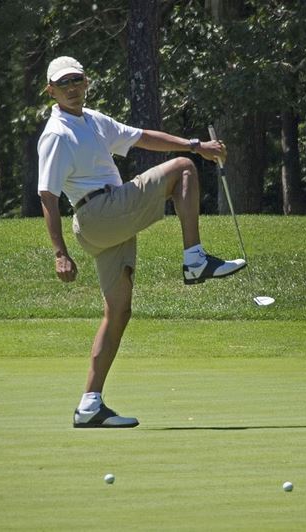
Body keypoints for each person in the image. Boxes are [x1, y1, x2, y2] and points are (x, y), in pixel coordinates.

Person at [37, 56, 246, 429]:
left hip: (108, 219)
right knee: (182, 169)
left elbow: (142, 137)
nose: (71, 88)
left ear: (86, 82)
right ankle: (195, 260)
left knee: (118, 311)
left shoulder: (94, 120)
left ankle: (89, 403)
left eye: (77, 80)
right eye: (63, 83)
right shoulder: (57, 134)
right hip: (97, 213)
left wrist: (194, 143)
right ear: (50, 90)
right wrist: (59, 253)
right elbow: (47, 196)